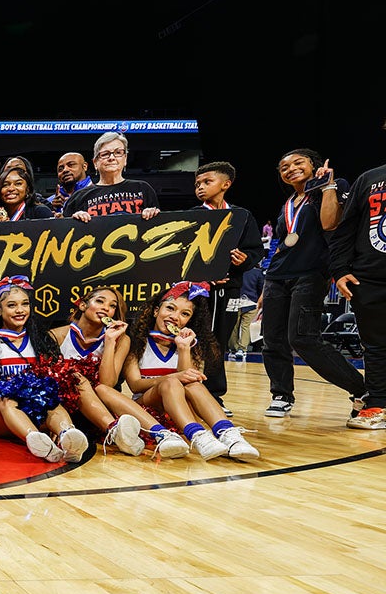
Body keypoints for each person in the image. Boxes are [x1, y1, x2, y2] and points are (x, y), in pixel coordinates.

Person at [262, 148, 364, 418]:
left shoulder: (333, 186)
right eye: (284, 167)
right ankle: (281, 395)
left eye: (298, 163)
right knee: (271, 340)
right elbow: (283, 244)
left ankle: (361, 389)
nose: (290, 169)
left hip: (310, 274)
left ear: (314, 165)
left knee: (303, 338)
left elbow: (331, 224)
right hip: (276, 276)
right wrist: (265, 285)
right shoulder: (288, 204)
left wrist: (328, 184)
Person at [123, 283, 259, 460]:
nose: (175, 317)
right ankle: (198, 436)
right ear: (156, 311)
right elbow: (135, 385)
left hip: (179, 410)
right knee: (171, 382)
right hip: (147, 406)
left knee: (193, 384)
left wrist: (183, 348)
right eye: (170, 308)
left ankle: (228, 434)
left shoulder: (189, 343)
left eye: (184, 314)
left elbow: (188, 381)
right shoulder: (135, 341)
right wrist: (172, 377)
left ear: (190, 320)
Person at [0, 277, 91, 463]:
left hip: (34, 408)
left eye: (25, 304)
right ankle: (36, 440)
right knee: (7, 401)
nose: (20, 310)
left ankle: (68, 437)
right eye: (12, 305)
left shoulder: (40, 339)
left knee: (50, 401)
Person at [45, 287, 164, 457]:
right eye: (99, 301)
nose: (106, 308)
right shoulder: (57, 336)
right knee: (75, 378)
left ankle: (163, 434)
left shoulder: (122, 340)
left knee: (101, 388)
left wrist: (109, 342)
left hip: (103, 408)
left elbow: (108, 382)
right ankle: (112, 433)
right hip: (67, 408)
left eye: (112, 305)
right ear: (83, 305)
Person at [193, 162, 265, 410]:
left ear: (226, 184)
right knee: (189, 339)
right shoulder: (192, 215)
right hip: (194, 290)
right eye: (198, 184)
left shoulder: (242, 216)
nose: (201, 187)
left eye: (207, 182)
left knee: (219, 340)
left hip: (228, 288)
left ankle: (213, 395)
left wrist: (245, 260)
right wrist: (201, 276)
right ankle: (185, 390)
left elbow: (256, 250)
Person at [331, 157, 386, 429]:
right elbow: (347, 228)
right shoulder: (369, 178)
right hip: (370, 277)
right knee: (375, 346)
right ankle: (378, 406)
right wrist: (340, 269)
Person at [63, 132, 159, 221]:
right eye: (105, 154)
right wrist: (75, 221)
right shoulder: (78, 197)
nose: (112, 158)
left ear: (125, 159)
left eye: (118, 153)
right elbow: (65, 233)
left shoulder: (143, 189)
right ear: (95, 162)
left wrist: (153, 215)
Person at [51, 152, 92, 216]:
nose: (65, 170)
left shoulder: (100, 194)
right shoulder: (50, 202)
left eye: (71, 165)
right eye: (60, 169)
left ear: (84, 166)